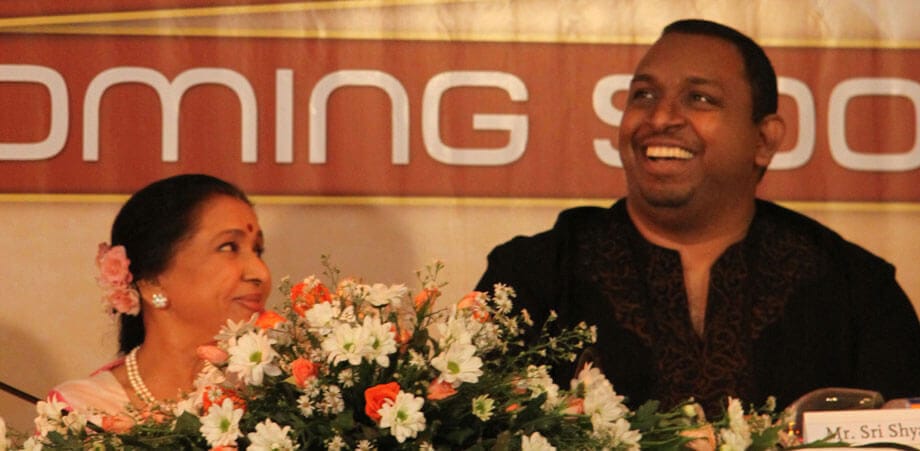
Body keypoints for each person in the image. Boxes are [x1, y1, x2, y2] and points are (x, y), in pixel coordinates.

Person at [475, 19, 920, 413]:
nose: (661, 117)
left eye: (700, 98)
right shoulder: (533, 278)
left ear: (764, 140)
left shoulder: (856, 291)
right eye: (643, 95)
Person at [49, 174, 271, 418]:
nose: (260, 273)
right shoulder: (83, 414)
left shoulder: (282, 394)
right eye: (228, 247)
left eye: (257, 250)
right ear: (151, 282)